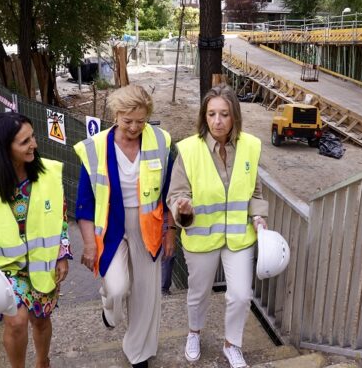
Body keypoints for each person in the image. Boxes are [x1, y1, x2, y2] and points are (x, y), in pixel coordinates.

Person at [167, 85, 268, 368]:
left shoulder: (250, 146)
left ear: (234, 116)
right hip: (201, 237)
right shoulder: (188, 150)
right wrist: (182, 208)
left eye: (224, 114)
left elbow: (255, 193)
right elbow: (176, 195)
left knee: (240, 295)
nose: (217, 121)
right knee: (198, 293)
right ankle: (194, 333)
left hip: (238, 237)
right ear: (204, 116)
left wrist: (259, 217)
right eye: (211, 114)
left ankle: (231, 344)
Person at [74, 84, 174, 368]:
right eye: (128, 121)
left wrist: (170, 232)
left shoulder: (161, 141)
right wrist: (90, 245)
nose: (134, 127)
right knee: (117, 288)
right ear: (115, 115)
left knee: (146, 294)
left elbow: (168, 193)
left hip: (149, 225)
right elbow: (84, 203)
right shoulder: (94, 148)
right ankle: (110, 311)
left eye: (140, 121)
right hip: (111, 227)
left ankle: (138, 353)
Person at [0, 112, 70, 368]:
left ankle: (42, 361)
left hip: (43, 265)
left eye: (32, 137)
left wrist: (62, 254)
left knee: (41, 320)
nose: (34, 144)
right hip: (7, 269)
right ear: (4, 148)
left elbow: (61, 217)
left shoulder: (49, 175)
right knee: (15, 321)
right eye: (24, 142)